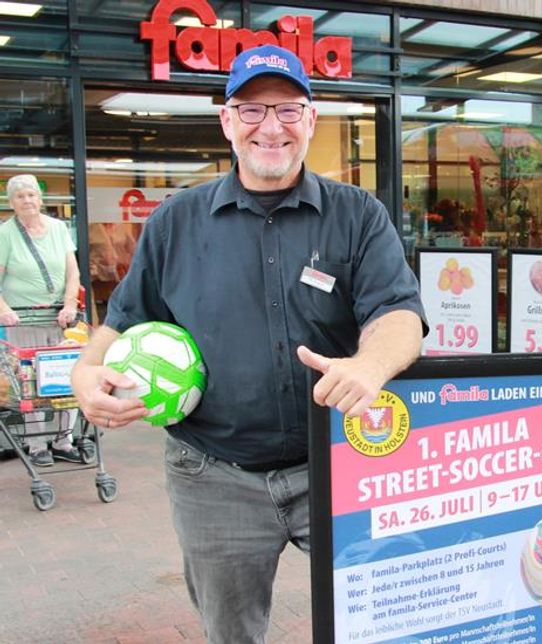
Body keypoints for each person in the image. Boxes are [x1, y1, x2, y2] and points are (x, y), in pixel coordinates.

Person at [70, 45, 426, 644]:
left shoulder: (358, 214)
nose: (271, 127)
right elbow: (122, 321)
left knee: (385, 620)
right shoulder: (175, 222)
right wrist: (85, 371)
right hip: (214, 476)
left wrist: (369, 365)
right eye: (252, 109)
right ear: (228, 121)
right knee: (231, 635)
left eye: (288, 110)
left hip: (339, 462)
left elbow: (400, 315)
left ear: (311, 120)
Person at [0, 174, 83, 467]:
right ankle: (37, 445)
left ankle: (64, 440)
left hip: (59, 318)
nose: (27, 201)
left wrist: (70, 303)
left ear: (40, 198)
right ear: (12, 203)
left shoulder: (59, 229)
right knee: (30, 384)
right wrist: (4, 309)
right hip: (23, 321)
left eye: (31, 195)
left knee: (67, 379)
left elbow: (72, 272)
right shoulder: (6, 233)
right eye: (20, 197)